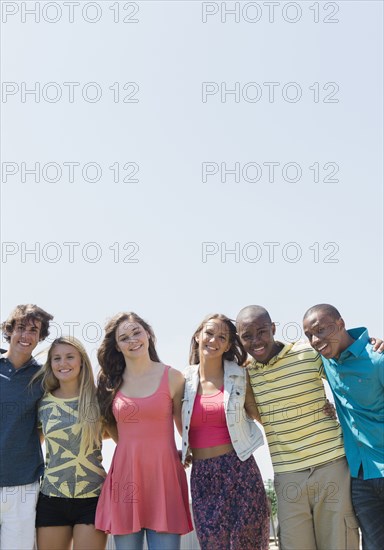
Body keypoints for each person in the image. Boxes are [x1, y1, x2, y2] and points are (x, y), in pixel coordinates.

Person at [236, 305, 360, 550]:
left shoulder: (309, 354)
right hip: (288, 474)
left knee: (340, 543)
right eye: (247, 336)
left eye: (261, 332)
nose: (256, 341)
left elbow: (347, 371)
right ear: (239, 339)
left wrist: (370, 344)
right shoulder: (245, 375)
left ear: (272, 329)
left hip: (332, 466)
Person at [95, 312, 193, 550]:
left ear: (148, 333)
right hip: (125, 480)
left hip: (164, 478)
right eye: (124, 338)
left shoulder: (173, 377)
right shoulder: (110, 383)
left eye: (136, 332)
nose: (133, 340)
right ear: (117, 347)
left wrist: (184, 452)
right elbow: (109, 426)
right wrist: (134, 449)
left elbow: (185, 430)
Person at [181, 313, 270, 550]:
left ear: (229, 345)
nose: (214, 340)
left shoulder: (241, 375)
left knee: (247, 544)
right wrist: (185, 448)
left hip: (239, 470)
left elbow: (259, 415)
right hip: (202, 476)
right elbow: (173, 416)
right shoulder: (182, 380)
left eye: (222, 337)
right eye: (209, 333)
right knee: (212, 544)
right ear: (198, 336)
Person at [303, 303, 384, 550]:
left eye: (320, 330)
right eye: (309, 335)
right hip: (360, 476)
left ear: (340, 324)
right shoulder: (326, 360)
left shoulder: (377, 359)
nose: (316, 340)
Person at [34, 336, 107, 550]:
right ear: (51, 364)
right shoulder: (43, 403)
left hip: (92, 498)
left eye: (69, 357)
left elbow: (121, 438)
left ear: (81, 361)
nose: (63, 363)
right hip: (52, 497)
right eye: (56, 358)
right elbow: (34, 443)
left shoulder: (99, 400)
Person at [0, 304, 53, 550]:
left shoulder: (44, 377)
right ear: (9, 331)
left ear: (40, 336)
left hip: (22, 486)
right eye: (21, 328)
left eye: (34, 330)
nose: (26, 335)